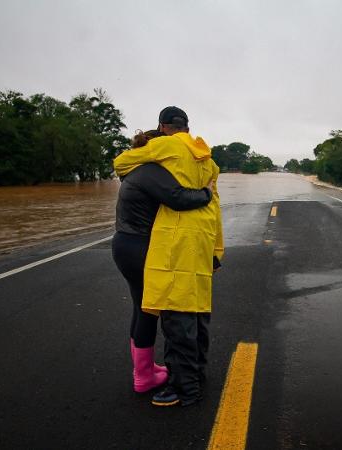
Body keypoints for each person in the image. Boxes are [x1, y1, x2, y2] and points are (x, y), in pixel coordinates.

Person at [113, 106, 223, 407]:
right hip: (155, 244)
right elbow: (190, 201)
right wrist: (205, 198)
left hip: (148, 244)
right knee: (177, 311)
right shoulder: (193, 165)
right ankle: (162, 375)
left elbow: (123, 164)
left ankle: (166, 378)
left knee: (165, 312)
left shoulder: (156, 163)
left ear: (162, 130)